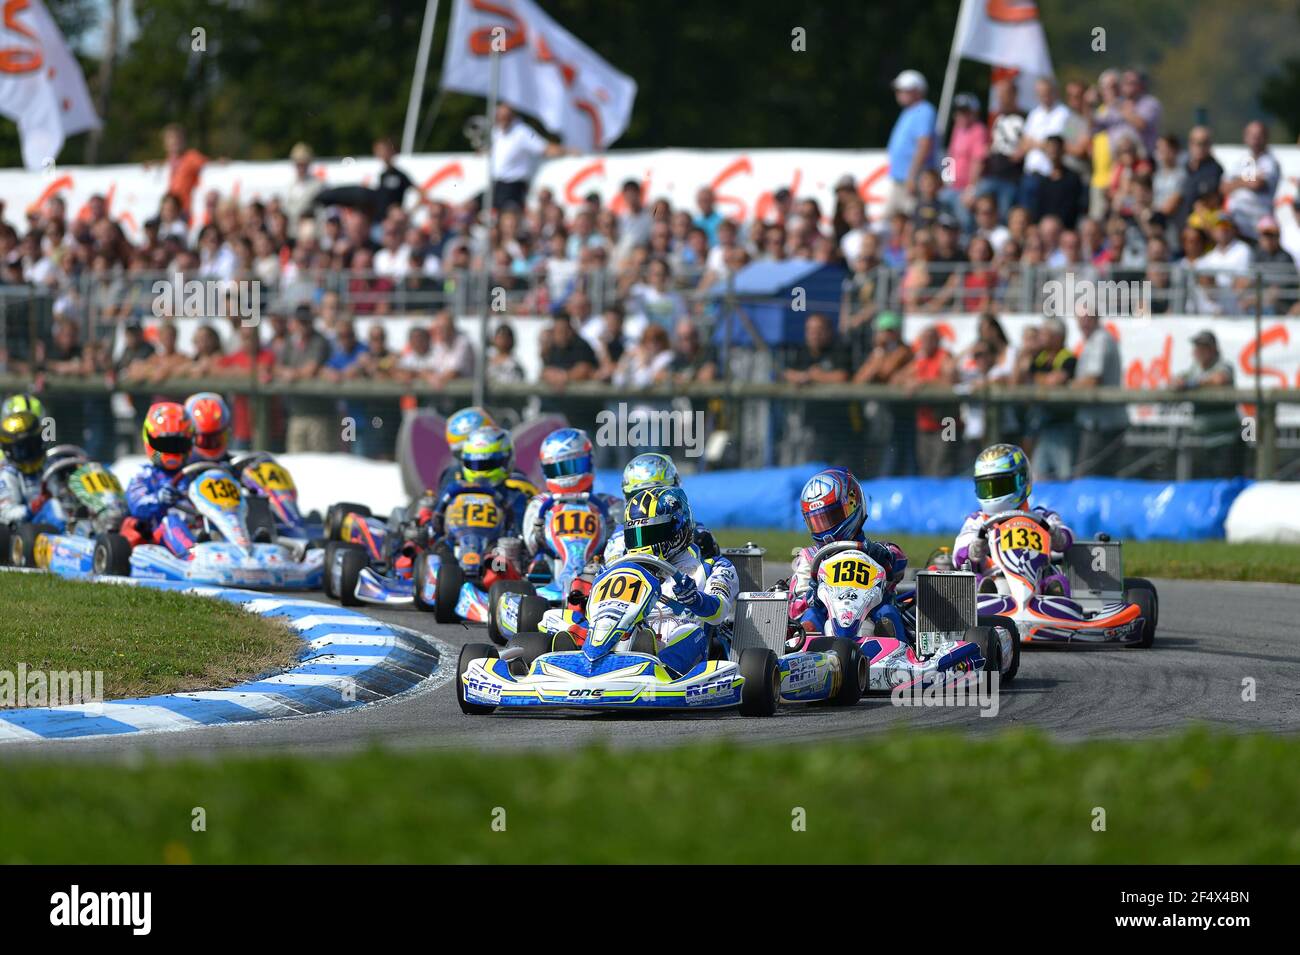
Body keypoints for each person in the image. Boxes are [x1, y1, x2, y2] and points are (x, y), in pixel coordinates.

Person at [620, 485, 739, 675]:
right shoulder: (623, 569)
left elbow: (718, 612)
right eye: (637, 536)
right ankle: (584, 660)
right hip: (629, 638)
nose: (643, 545)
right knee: (560, 619)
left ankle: (658, 671)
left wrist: (695, 600)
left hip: (686, 649)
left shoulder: (713, 567)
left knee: (690, 632)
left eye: (650, 534)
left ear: (677, 529)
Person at [787, 467, 908, 642]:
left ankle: (902, 657)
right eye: (818, 522)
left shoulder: (876, 550)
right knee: (811, 617)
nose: (825, 530)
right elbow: (795, 610)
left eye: (831, 517)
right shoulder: (810, 558)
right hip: (828, 630)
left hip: (872, 622)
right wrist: (812, 593)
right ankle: (804, 655)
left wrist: (884, 555)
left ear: (853, 504)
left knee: (887, 613)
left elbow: (900, 561)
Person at [952, 444, 1074, 581]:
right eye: (987, 488)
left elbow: (1067, 540)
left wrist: (1055, 534)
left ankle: (1053, 592)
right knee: (975, 581)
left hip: (1037, 584)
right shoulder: (977, 522)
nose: (993, 494)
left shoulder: (1043, 518)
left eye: (1001, 486)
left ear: (1023, 479)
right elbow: (958, 558)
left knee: (1059, 580)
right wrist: (975, 548)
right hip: (994, 587)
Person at [520, 428, 619, 575]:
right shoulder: (540, 504)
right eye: (557, 469)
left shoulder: (610, 504)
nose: (566, 475)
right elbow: (531, 546)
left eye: (573, 466)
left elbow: (621, 548)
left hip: (599, 575)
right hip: (551, 577)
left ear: (589, 461)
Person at [431, 426, 536, 541]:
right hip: (455, 551)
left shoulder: (514, 497)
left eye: (488, 464)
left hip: (498, 554)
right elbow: (433, 528)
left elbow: (522, 538)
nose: (480, 470)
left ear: (506, 461)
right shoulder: (452, 493)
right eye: (474, 464)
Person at [124, 402, 198, 558]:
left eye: (178, 444)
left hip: (198, 528)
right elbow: (137, 506)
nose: (171, 450)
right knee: (171, 521)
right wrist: (159, 498)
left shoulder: (195, 474)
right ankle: (193, 557)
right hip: (157, 536)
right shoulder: (143, 475)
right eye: (164, 444)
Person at [885, 70, 937, 219]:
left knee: (909, 221)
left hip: (911, 182)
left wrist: (912, 177)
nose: (899, 93)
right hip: (901, 179)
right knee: (892, 223)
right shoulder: (910, 111)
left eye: (904, 90)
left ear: (917, 91)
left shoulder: (924, 110)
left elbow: (924, 145)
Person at [0, 410, 48, 524]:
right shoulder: (7, 475)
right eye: (23, 448)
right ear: (9, 450)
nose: (31, 451)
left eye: (34, 444)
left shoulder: (50, 466)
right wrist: (31, 508)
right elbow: (6, 513)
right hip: (31, 531)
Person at [184, 392, 233, 463]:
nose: (212, 444)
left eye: (216, 439)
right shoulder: (182, 468)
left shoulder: (234, 466)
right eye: (205, 441)